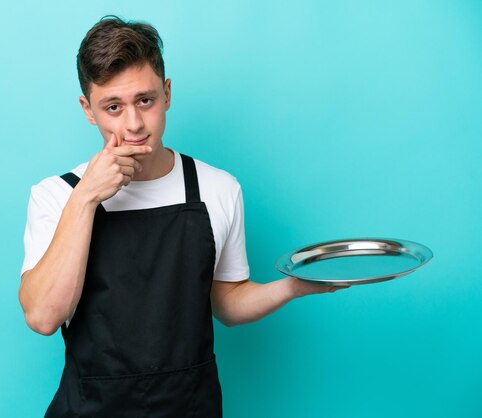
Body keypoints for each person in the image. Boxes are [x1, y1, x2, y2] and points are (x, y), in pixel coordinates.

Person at [19, 16, 346, 418]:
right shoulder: (57, 195)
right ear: (89, 110)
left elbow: (227, 303)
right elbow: (42, 316)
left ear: (167, 93)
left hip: (190, 407)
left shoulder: (218, 188)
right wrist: (86, 198)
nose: (134, 124)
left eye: (145, 100)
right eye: (113, 107)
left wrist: (293, 287)